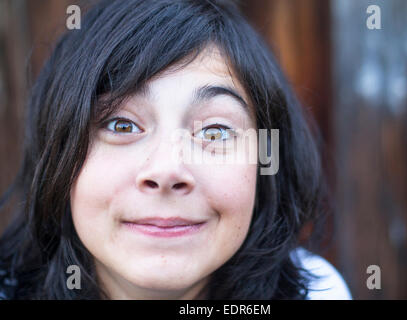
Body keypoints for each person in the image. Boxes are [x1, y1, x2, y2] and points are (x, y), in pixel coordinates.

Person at [0, 0, 351, 299]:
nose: (167, 170)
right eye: (121, 125)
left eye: (215, 131)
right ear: (58, 150)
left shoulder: (318, 291)